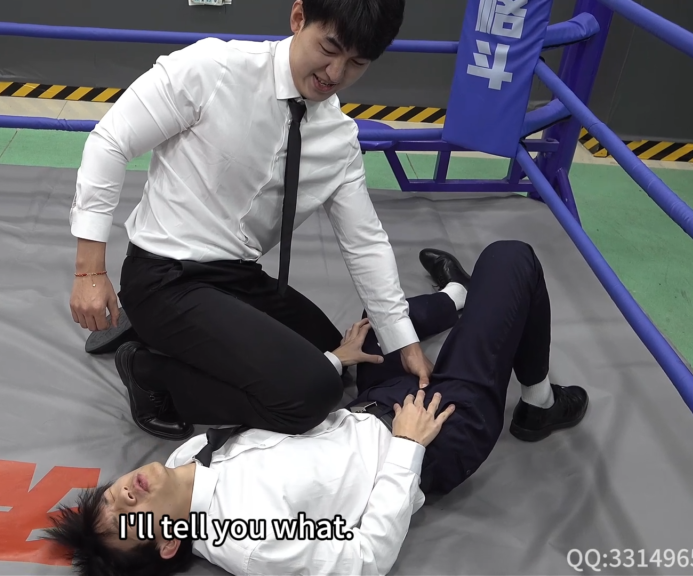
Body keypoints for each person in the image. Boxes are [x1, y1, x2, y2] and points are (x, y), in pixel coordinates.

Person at [45, 241, 591, 576]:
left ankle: (457, 296)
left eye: (107, 498)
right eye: (127, 521)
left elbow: (281, 412)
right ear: (166, 543)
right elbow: (362, 560)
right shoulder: (251, 543)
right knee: (511, 258)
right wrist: (407, 448)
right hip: (432, 433)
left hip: (367, 406)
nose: (122, 496)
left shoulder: (186, 457)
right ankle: (539, 403)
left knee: (371, 331)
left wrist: (335, 362)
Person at [68, 0, 449, 441]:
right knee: (312, 392)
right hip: (163, 277)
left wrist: (404, 342)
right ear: (298, 18)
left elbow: (364, 242)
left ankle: (173, 335)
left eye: (357, 63)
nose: (335, 73)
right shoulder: (213, 69)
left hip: (237, 276)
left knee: (333, 355)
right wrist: (90, 271)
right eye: (329, 48)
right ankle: (149, 371)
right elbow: (110, 142)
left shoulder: (338, 140)